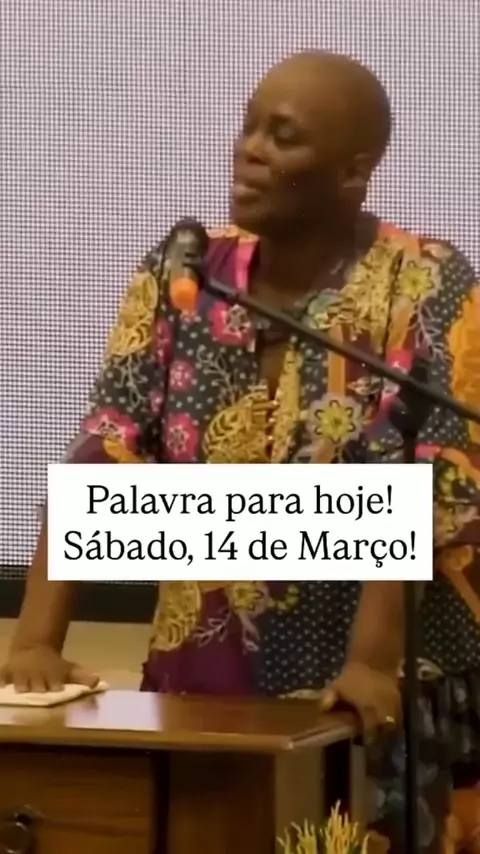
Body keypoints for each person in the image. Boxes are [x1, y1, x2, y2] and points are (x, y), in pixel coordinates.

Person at [2, 50, 480, 853]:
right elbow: (106, 447)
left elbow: (436, 484)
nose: (249, 150)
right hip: (200, 702)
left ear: (353, 171)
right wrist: (36, 643)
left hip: (369, 703)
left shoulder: (426, 284)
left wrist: (370, 660)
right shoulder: (184, 274)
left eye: (282, 136)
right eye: (249, 126)